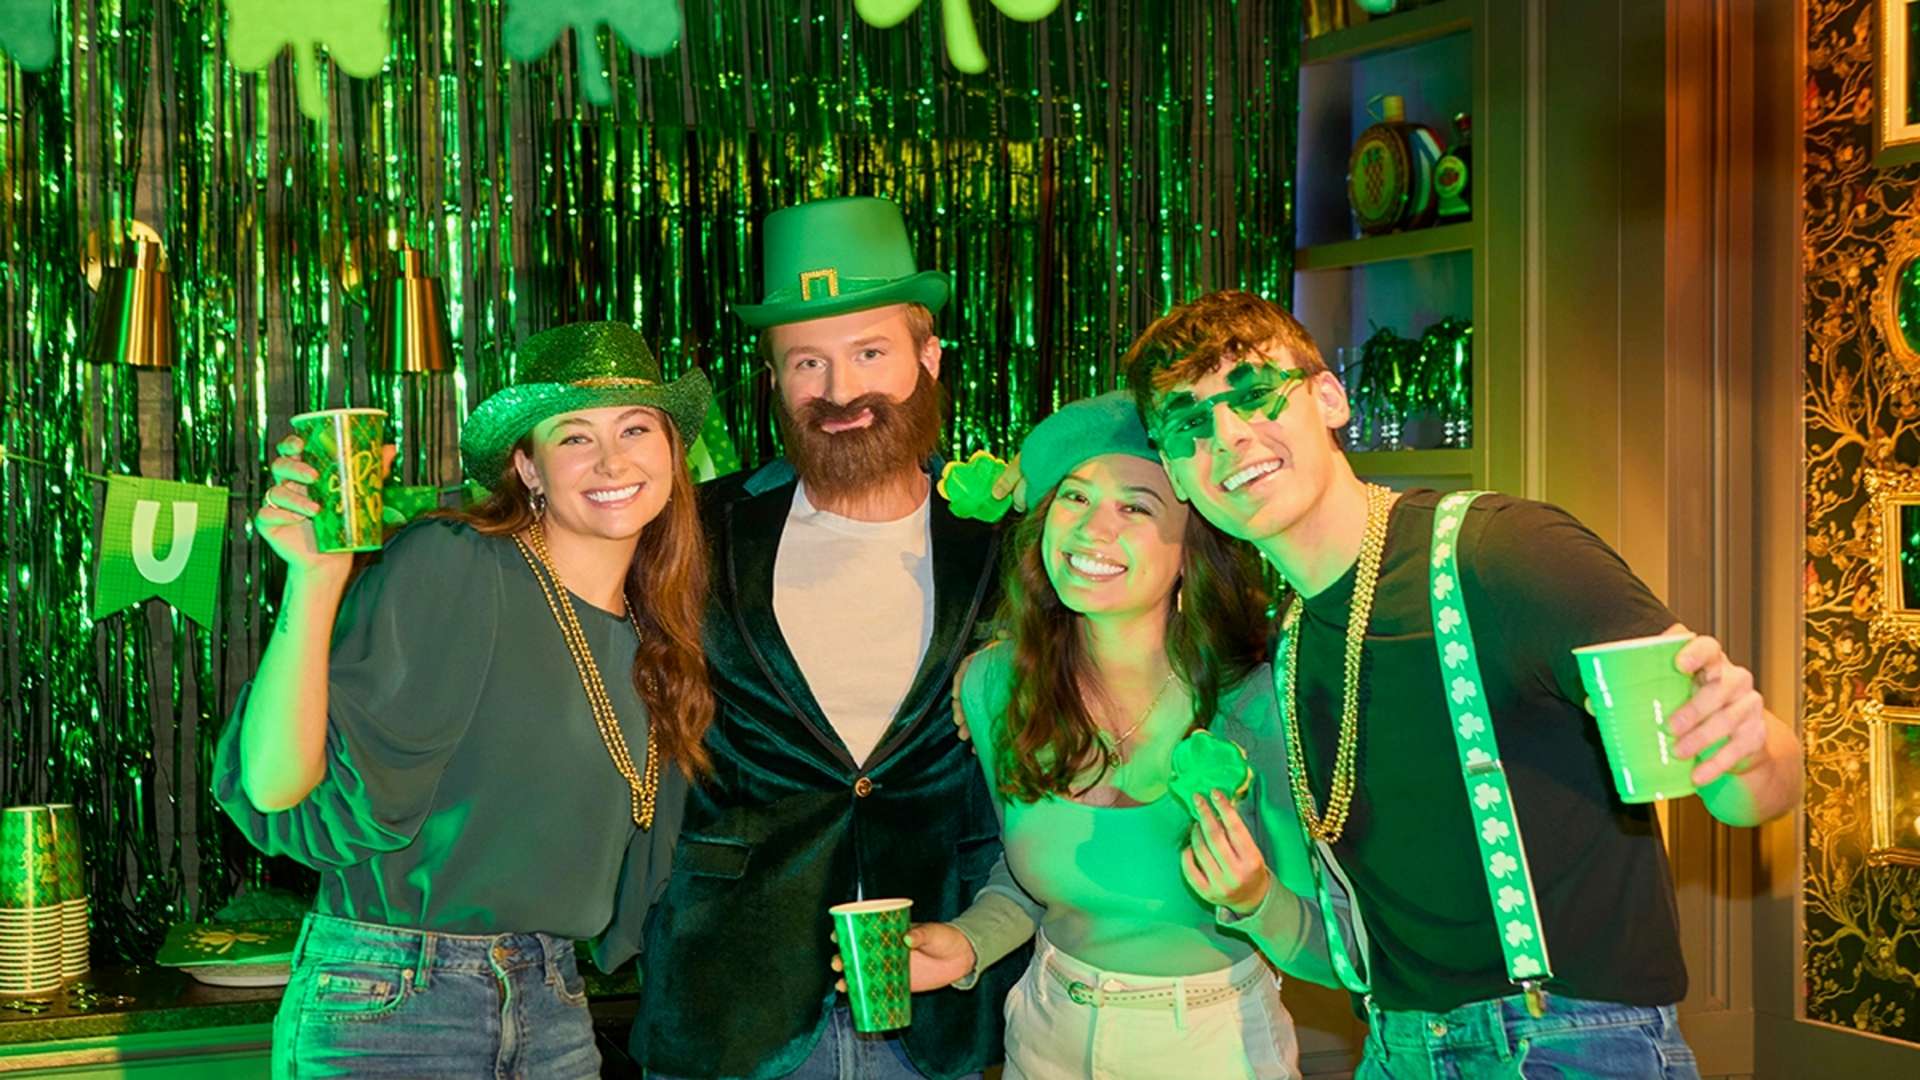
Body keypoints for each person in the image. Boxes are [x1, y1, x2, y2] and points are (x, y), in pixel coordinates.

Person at [1124, 289, 1803, 1078]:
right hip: (1395, 1045)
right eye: (1190, 423)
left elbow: (1753, 787)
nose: (1230, 436)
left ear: (1329, 397)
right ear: (1175, 468)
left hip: (1571, 1045)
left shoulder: (1503, 555)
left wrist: (1749, 749)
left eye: (1254, 395)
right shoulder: (1296, 639)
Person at [214, 322, 714, 1078]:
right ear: (529, 468)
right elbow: (277, 784)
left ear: (673, 456)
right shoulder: (457, 565)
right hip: (394, 1004)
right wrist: (315, 581)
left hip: (555, 1005)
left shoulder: (660, 639)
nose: (613, 459)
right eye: (574, 437)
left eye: (636, 428)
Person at [632, 196, 1022, 1080]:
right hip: (733, 1001)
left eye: (870, 353)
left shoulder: (1009, 539)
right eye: (808, 362)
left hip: (940, 1005)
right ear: (772, 378)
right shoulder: (700, 524)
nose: (841, 392)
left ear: (929, 357)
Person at [884, 391, 1332, 1079]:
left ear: (1192, 548)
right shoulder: (994, 687)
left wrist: (1255, 902)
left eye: (1136, 506)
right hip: (1045, 1034)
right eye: (1075, 498)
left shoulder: (1257, 705)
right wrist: (969, 942)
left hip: (1212, 1044)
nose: (1093, 530)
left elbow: (1342, 955)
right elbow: (1032, 873)